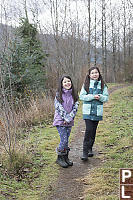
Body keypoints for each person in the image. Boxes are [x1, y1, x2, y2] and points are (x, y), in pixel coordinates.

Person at [79, 66, 109, 161]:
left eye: (96, 72)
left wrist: (100, 97)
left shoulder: (103, 85)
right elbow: (82, 96)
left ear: (99, 74)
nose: (94, 74)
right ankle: (84, 152)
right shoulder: (86, 85)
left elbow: (106, 98)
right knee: (88, 130)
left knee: (93, 131)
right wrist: (92, 96)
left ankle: (90, 148)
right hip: (87, 112)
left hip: (97, 112)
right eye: (92, 73)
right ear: (89, 75)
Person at [53, 75, 79, 168]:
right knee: (63, 140)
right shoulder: (58, 95)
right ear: (61, 84)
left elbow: (75, 107)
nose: (67, 83)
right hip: (60, 121)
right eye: (65, 82)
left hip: (69, 121)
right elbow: (59, 108)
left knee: (66, 139)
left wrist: (69, 118)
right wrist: (65, 118)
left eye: (69, 81)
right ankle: (59, 158)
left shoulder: (74, 94)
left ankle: (65, 157)